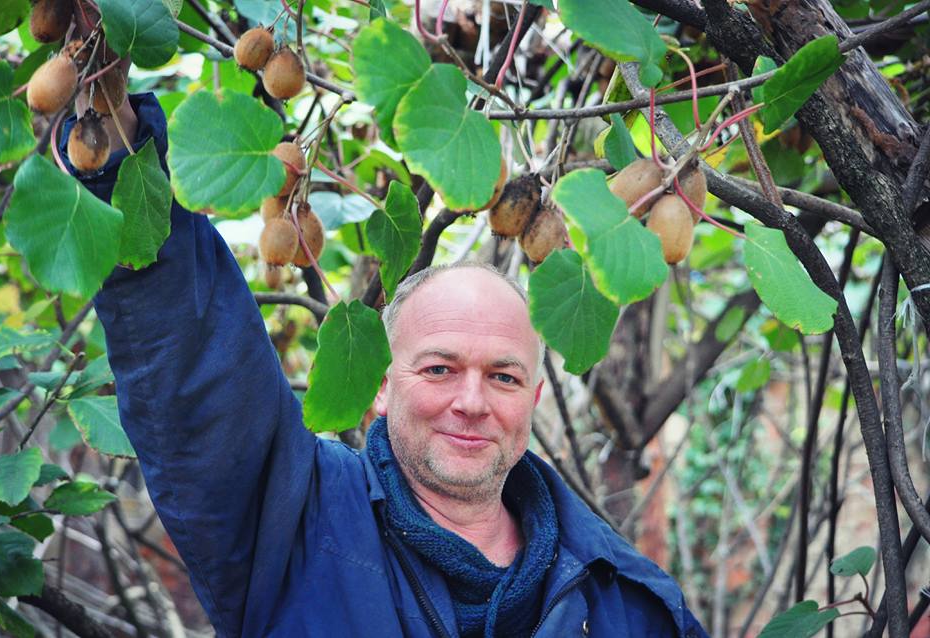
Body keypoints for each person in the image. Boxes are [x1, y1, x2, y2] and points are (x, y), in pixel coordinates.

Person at [68, 92, 708, 637]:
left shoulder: (631, 604)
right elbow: (197, 368)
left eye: (504, 376)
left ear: (535, 398)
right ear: (380, 384)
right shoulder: (291, 526)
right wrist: (113, 138)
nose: (472, 401)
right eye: (438, 369)